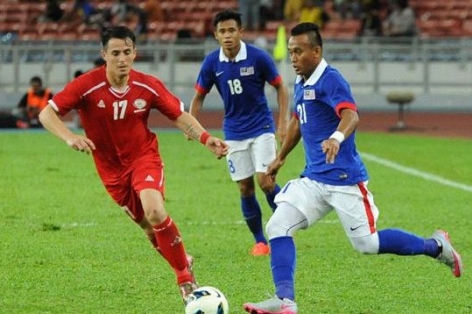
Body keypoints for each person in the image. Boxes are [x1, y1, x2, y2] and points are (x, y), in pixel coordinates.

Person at [243, 22, 463, 314]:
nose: (293, 57)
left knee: (367, 244)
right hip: (314, 180)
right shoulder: (301, 79)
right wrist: (281, 157)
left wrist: (335, 138)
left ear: (317, 50)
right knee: (278, 226)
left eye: (299, 51)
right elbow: (298, 119)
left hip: (345, 180)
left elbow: (351, 115)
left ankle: (436, 246)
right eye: (291, 51)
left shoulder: (331, 79)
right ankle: (285, 301)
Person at [38, 26, 228, 306]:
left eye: (127, 52)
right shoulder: (86, 86)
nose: (122, 58)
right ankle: (183, 260)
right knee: (151, 231)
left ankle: (185, 281)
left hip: (143, 158)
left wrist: (205, 137)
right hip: (111, 171)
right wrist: (70, 137)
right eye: (115, 53)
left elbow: (178, 115)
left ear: (135, 53)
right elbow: (47, 113)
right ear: (104, 55)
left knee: (154, 210)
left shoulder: (147, 85)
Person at [188, 10, 289, 256]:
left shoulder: (258, 57)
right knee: (245, 188)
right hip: (233, 132)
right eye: (222, 31)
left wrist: (283, 122)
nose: (228, 35)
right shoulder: (212, 62)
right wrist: (192, 125)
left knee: (265, 181)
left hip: (262, 127)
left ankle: (285, 228)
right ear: (216, 35)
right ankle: (260, 241)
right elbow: (198, 97)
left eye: (232, 30)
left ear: (240, 32)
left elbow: (281, 88)